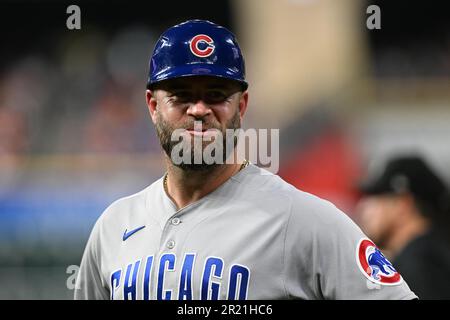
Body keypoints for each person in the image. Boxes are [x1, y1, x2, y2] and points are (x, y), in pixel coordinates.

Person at [74, 19, 417, 300]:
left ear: (241, 106)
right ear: (153, 106)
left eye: (216, 95)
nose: (198, 110)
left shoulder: (301, 219)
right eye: (181, 96)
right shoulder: (113, 226)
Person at [357, 155, 450, 299]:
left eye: (375, 198)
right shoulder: (429, 255)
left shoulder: (420, 266)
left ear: (403, 204)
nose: (362, 208)